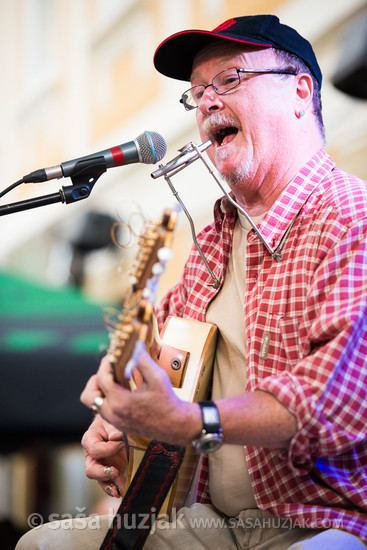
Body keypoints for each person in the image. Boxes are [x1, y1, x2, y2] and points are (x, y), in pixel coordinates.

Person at [16, 14, 367, 550]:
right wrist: (115, 416)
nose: (205, 103)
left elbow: (329, 401)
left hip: (324, 520)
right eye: (196, 92)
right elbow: (158, 375)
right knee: (42, 545)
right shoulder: (210, 245)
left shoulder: (352, 217)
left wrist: (192, 420)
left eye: (229, 80)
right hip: (211, 521)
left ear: (300, 92)